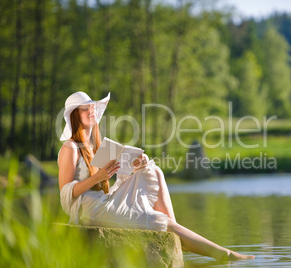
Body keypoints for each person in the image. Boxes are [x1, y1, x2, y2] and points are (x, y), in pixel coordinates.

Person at [58, 91, 255, 262]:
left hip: (103, 201)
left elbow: (106, 180)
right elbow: (66, 194)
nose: (91, 111)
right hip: (90, 210)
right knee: (161, 221)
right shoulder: (70, 148)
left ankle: (176, 233)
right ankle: (221, 253)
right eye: (85, 109)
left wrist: (133, 166)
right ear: (76, 116)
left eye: (92, 107)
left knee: (152, 170)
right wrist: (98, 176)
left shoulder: (95, 146)